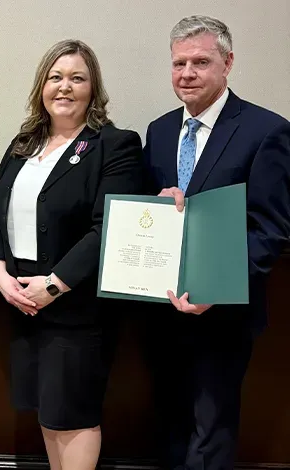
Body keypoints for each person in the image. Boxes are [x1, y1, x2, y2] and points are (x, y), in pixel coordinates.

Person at [0, 39, 144, 470]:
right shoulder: (23, 146)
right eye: (56, 77)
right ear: (41, 86)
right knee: (48, 414)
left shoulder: (114, 145)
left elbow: (109, 226)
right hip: (22, 302)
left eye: (77, 78)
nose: (65, 87)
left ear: (93, 88)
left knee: (73, 416)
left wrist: (53, 286)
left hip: (75, 307)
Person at [142, 15, 290, 470]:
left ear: (227, 63)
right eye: (178, 63)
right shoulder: (160, 130)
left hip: (223, 315)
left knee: (211, 432)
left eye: (200, 62)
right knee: (168, 425)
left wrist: (215, 288)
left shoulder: (267, 130)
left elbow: (271, 230)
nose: (186, 73)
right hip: (164, 310)